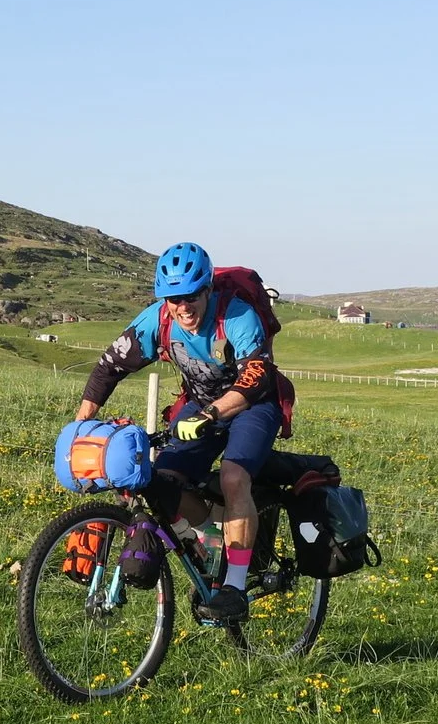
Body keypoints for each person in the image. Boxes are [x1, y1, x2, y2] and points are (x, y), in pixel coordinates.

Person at [75, 242, 285, 626]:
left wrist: (212, 413)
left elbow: (257, 377)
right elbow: (109, 367)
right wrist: (80, 426)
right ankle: (210, 539)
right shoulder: (160, 320)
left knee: (234, 476)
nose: (183, 306)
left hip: (253, 405)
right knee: (162, 481)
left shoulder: (236, 315)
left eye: (191, 296)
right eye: (173, 298)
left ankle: (235, 588)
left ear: (207, 290)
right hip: (200, 404)